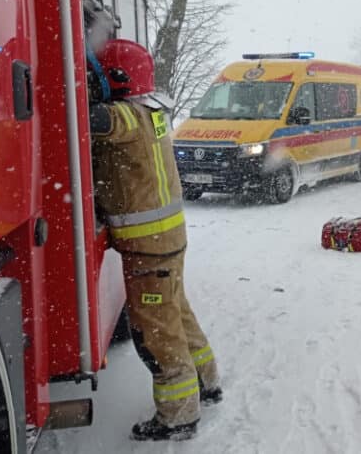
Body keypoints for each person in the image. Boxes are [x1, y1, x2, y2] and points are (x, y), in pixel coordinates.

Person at [88, 39, 222, 441]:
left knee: (156, 332)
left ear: (116, 79)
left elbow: (93, 119)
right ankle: (206, 380)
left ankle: (179, 416)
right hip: (167, 238)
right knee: (176, 313)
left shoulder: (126, 116)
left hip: (148, 246)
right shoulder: (153, 110)